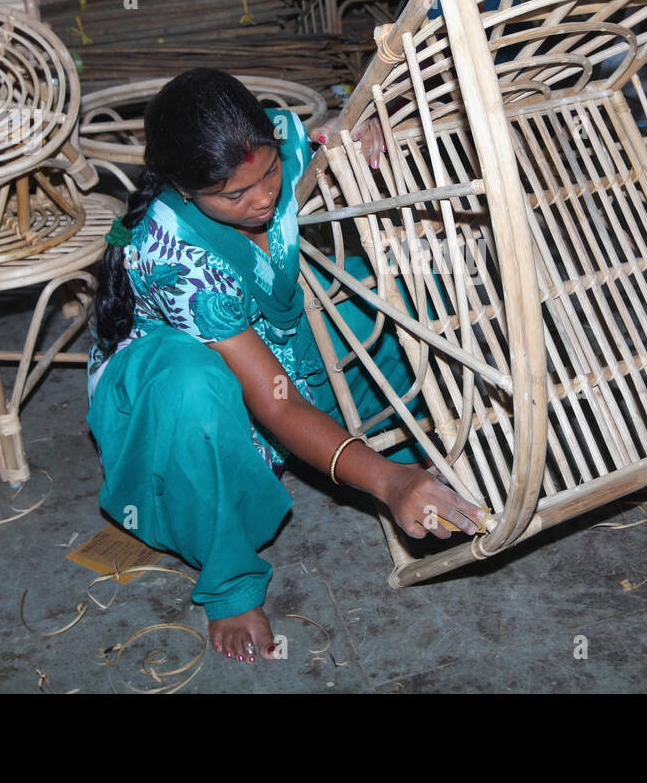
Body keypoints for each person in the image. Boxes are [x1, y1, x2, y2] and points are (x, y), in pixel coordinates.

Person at [86, 69, 488, 663]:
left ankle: (419, 455)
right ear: (183, 188)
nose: (264, 197)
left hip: (265, 336)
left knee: (401, 302)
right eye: (235, 195)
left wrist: (359, 132)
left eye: (270, 172)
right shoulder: (174, 258)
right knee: (196, 390)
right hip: (173, 386)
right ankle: (228, 583)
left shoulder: (271, 143)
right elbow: (275, 402)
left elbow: (314, 140)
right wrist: (386, 484)